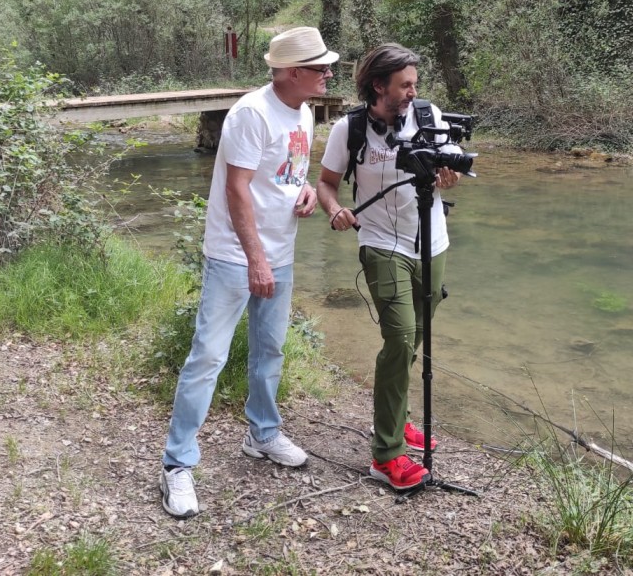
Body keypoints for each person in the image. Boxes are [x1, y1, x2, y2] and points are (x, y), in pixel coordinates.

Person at [159, 26, 338, 519]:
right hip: (236, 256)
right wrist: (255, 259)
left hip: (280, 250)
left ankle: (262, 435)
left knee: (271, 349)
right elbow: (237, 190)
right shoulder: (250, 114)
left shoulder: (302, 110)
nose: (328, 72)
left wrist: (304, 191)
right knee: (209, 356)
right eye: (320, 66)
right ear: (292, 72)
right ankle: (177, 465)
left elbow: (288, 171)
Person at [316, 43, 462, 491]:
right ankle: (386, 454)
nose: (412, 92)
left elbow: (450, 154)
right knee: (398, 338)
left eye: (415, 84)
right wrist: (335, 210)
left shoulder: (427, 114)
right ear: (378, 86)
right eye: (405, 85)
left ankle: (399, 420)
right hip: (381, 244)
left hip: (431, 242)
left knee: (416, 337)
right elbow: (326, 184)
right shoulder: (350, 129)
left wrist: (448, 170)